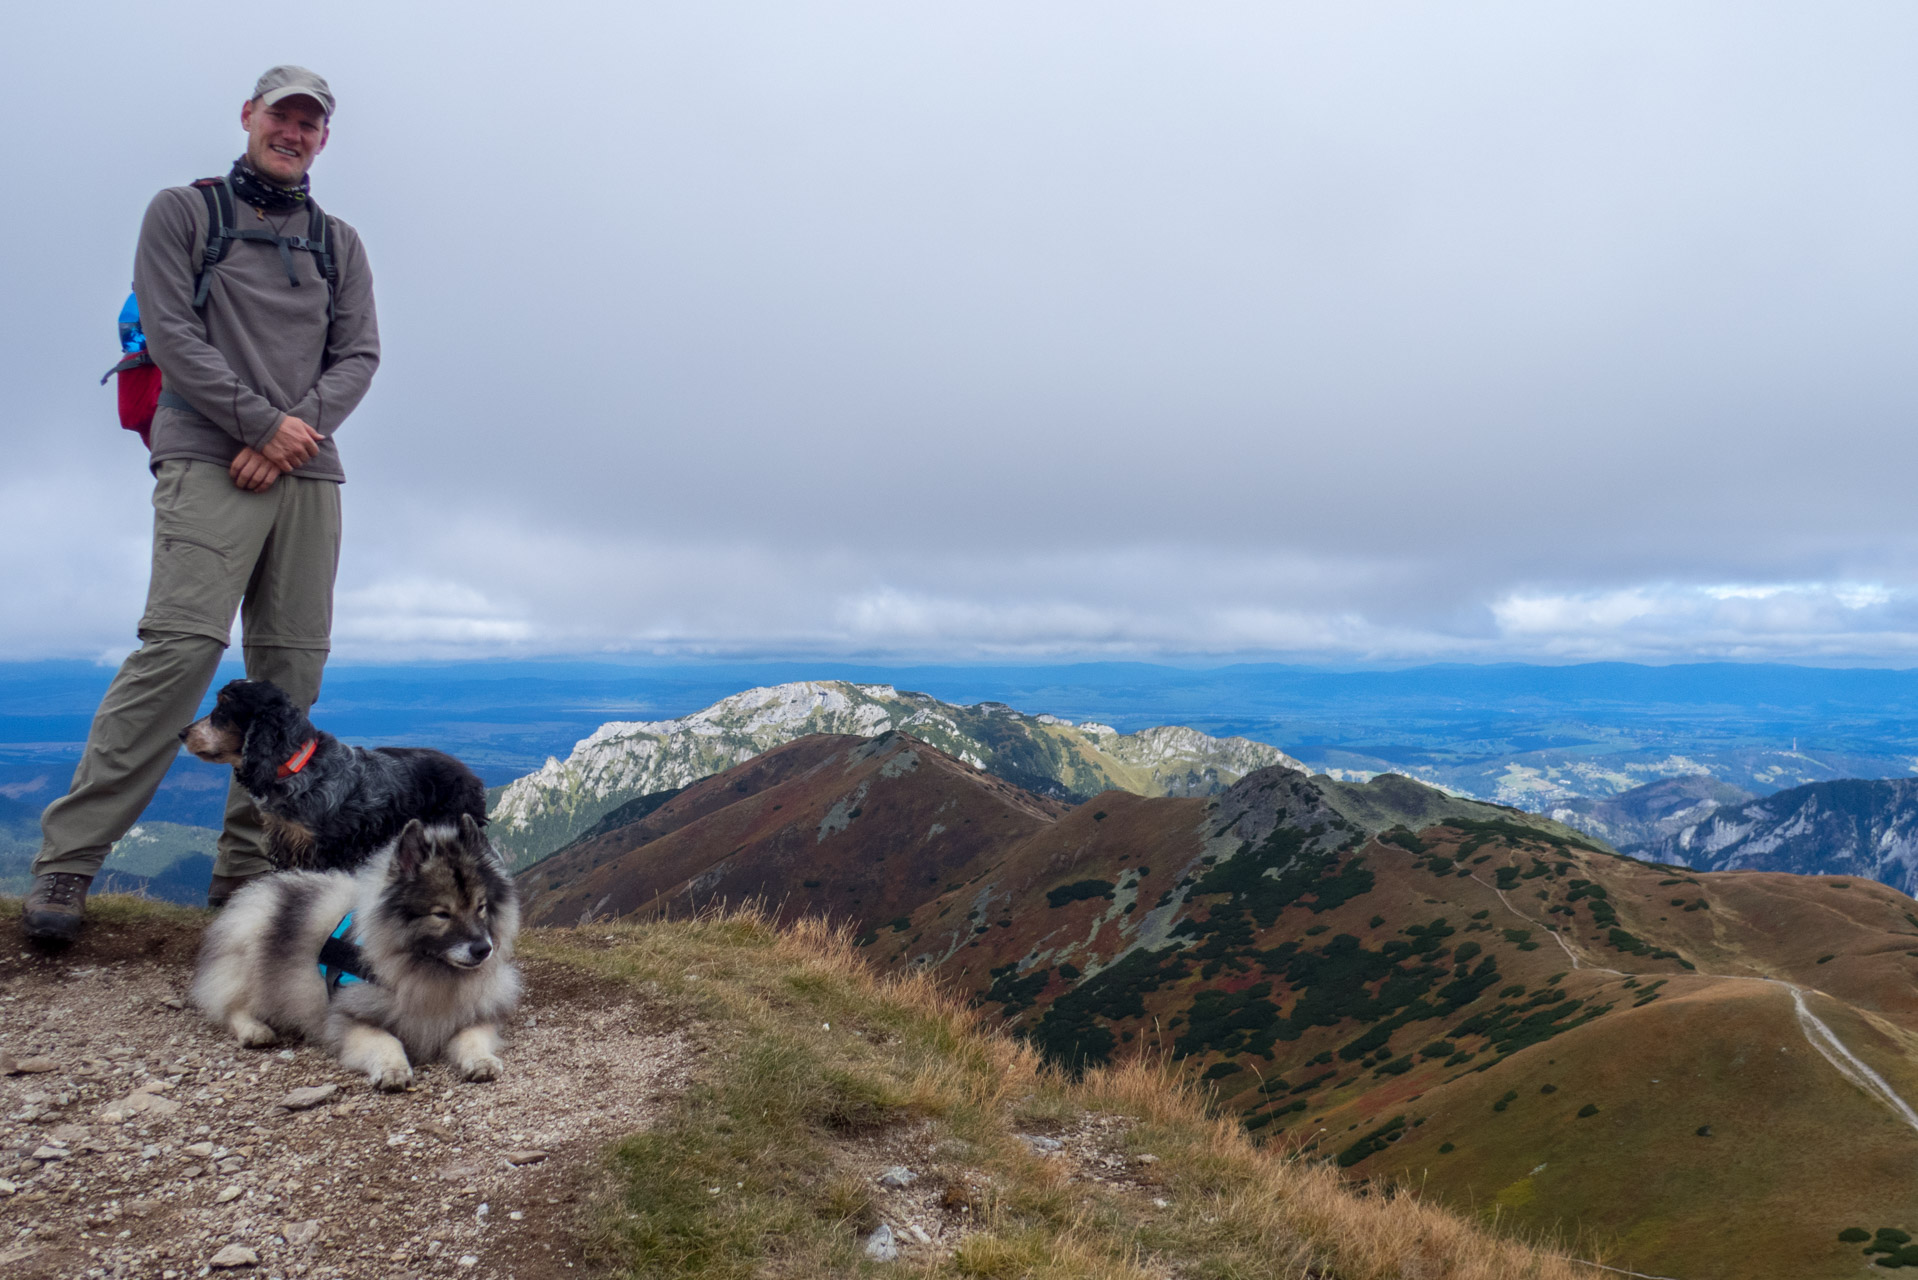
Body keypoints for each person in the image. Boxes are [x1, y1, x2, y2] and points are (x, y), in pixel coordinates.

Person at [22, 66, 379, 942]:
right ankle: (68, 867)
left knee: (291, 672)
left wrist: (293, 435)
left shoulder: (339, 241)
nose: (293, 132)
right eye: (280, 116)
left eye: (310, 122)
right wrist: (260, 428)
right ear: (248, 116)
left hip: (308, 470)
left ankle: (247, 885)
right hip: (205, 455)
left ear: (323, 137)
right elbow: (172, 332)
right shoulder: (183, 212)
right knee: (180, 653)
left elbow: (360, 355)